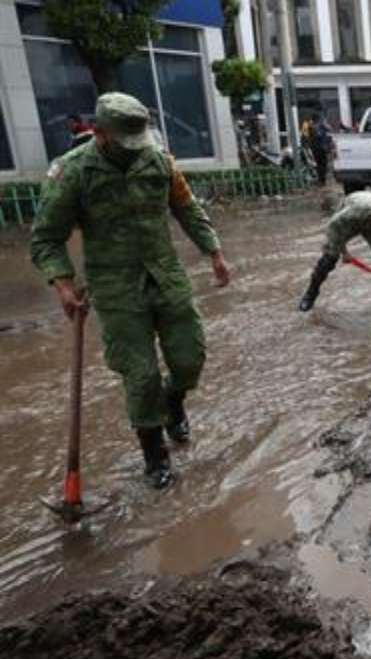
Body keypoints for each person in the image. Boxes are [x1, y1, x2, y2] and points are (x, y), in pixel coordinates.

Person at [30, 92, 231, 489]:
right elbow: (46, 238)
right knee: (140, 376)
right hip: (115, 287)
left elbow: (186, 208)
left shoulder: (159, 161)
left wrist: (214, 252)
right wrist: (63, 284)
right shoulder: (72, 172)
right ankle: (155, 456)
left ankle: (173, 404)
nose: (135, 150)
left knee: (190, 358)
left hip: (166, 275)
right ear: (100, 134)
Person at [298, 191, 371, 312]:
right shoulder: (354, 213)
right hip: (346, 222)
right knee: (329, 259)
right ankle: (309, 296)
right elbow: (333, 227)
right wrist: (344, 251)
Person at [312, 115, 335, 185]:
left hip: (317, 149)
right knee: (322, 165)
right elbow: (329, 129)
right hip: (320, 148)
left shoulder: (314, 126)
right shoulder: (320, 126)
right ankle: (322, 180)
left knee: (320, 165)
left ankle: (321, 180)